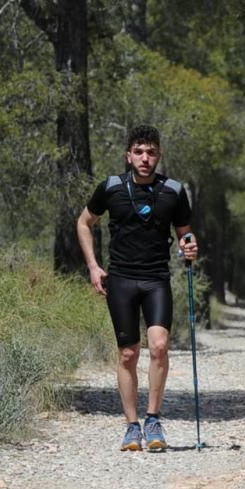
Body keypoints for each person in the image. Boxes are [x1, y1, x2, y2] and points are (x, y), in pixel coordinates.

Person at [76, 125, 198, 452]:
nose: (146, 158)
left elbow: (185, 233)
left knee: (159, 346)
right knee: (128, 353)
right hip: (121, 280)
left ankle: (153, 419)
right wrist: (93, 266)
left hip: (157, 278)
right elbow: (84, 223)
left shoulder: (172, 190)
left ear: (159, 155)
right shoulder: (112, 188)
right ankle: (132, 426)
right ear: (129, 155)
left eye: (152, 152)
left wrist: (189, 246)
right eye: (139, 152)